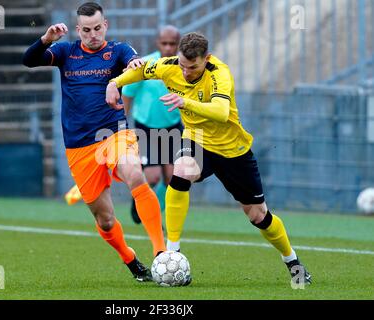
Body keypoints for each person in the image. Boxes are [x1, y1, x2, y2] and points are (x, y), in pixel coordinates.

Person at [106, 32, 312, 285]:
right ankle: (173, 250)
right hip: (198, 140)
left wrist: (185, 102)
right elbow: (140, 72)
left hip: (233, 150)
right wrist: (115, 82)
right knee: (180, 170)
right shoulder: (170, 66)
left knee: (259, 216)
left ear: (207, 59)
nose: (185, 72)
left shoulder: (219, 73)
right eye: (182, 65)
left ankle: (292, 261)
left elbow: (221, 112)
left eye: (192, 67)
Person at [23, 2, 167, 282]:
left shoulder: (119, 50)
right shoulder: (66, 52)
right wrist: (45, 40)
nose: (93, 34)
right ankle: (130, 259)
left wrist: (135, 65)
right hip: (79, 146)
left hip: (113, 134)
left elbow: (135, 63)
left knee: (135, 174)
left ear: (106, 25)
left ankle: (161, 253)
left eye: (97, 28)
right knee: (106, 220)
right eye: (86, 30)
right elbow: (29, 60)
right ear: (78, 30)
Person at [121, 25, 182, 224]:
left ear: (178, 44)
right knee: (153, 176)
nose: (168, 47)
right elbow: (128, 94)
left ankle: (154, 215)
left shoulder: (184, 67)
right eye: (164, 43)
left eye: (172, 44)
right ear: (158, 43)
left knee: (174, 178)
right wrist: (121, 126)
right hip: (146, 127)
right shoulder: (146, 64)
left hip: (172, 126)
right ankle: (138, 201)